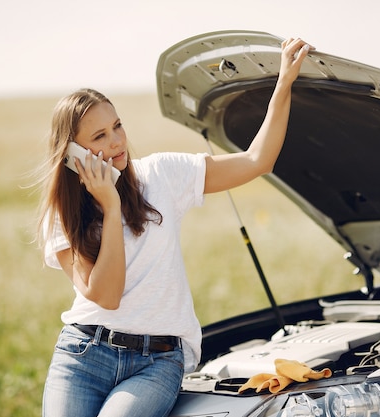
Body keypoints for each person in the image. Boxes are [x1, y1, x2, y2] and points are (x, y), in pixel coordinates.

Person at [37, 37, 313, 417]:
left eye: (117, 126)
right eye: (99, 136)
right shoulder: (63, 212)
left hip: (157, 362)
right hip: (84, 354)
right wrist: (111, 204)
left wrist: (283, 83)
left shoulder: (161, 175)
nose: (117, 141)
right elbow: (107, 294)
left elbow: (256, 160)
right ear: (73, 154)